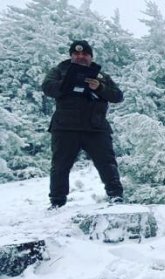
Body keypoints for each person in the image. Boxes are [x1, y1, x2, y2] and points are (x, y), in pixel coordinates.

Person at [41, 40, 124, 209]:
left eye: (84, 54)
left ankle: (116, 196)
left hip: (96, 127)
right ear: (71, 56)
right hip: (65, 128)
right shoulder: (58, 71)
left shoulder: (100, 75)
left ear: (91, 56)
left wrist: (99, 87)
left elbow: (117, 96)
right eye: (76, 54)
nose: (80, 57)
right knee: (60, 166)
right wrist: (67, 84)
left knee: (107, 163)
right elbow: (47, 88)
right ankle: (57, 202)